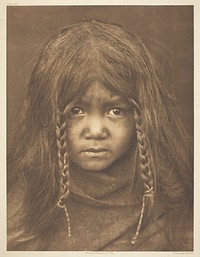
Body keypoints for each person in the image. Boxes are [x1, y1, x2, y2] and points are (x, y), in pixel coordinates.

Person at [7, 20, 193, 251]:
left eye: (116, 111)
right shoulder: (17, 214)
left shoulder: (179, 214)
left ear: (144, 117)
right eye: (76, 111)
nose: (95, 131)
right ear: (47, 116)